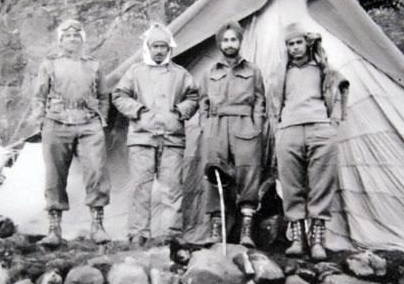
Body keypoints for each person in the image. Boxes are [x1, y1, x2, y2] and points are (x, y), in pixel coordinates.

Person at [112, 23, 198, 246]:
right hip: (142, 138)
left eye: (163, 46)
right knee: (141, 187)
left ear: (169, 48)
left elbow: (194, 97)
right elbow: (119, 95)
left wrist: (180, 111)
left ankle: (172, 234)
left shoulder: (181, 74)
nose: (159, 51)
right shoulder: (135, 72)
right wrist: (137, 110)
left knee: (172, 189)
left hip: (172, 139)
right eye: (155, 46)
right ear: (148, 48)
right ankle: (138, 233)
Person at [273, 22, 349, 260]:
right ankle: (297, 238)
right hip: (289, 129)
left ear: (306, 43)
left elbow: (342, 88)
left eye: (298, 42)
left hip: (319, 129)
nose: (295, 48)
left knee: (321, 184)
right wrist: (278, 127)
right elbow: (271, 100)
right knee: (291, 184)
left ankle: (317, 240)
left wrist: (334, 121)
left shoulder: (323, 68)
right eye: (290, 44)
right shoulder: (280, 71)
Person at [32, 19, 111, 246]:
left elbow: (104, 95)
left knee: (96, 170)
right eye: (68, 36)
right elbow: (39, 96)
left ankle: (98, 226)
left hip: (88, 122)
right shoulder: (49, 64)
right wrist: (41, 121)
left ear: (82, 40)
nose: (73, 39)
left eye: (77, 36)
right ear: (61, 40)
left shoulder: (93, 64)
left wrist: (101, 119)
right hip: (56, 121)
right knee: (54, 176)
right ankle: (54, 229)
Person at [200, 21, 266, 248]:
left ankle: (246, 231)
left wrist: (255, 126)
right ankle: (216, 229)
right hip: (217, 126)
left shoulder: (253, 70)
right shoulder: (210, 72)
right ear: (220, 43)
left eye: (233, 39)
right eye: (225, 40)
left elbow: (259, 100)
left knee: (248, 174)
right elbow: (203, 102)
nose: (230, 44)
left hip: (244, 125)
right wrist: (206, 125)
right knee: (215, 174)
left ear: (240, 42)